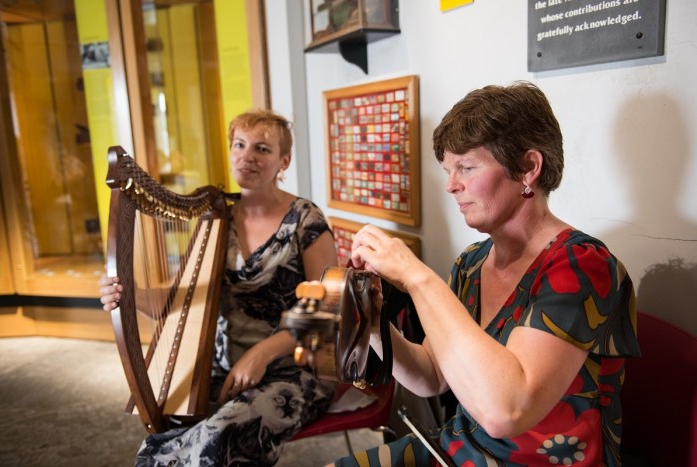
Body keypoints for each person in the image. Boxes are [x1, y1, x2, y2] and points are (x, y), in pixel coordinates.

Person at [332, 81, 640, 466]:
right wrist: (371, 317)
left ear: (529, 167)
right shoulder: (471, 263)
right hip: (460, 451)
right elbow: (432, 377)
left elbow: (505, 412)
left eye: (467, 167)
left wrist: (417, 277)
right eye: (448, 169)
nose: (451, 185)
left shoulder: (582, 264)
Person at [100, 108, 338, 466]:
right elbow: (179, 302)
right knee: (164, 436)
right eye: (239, 145)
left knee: (219, 436)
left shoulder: (306, 218)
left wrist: (264, 353)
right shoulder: (216, 218)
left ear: (283, 161)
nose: (247, 156)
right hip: (225, 367)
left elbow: (329, 307)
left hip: (296, 367)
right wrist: (126, 294)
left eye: (262, 149)